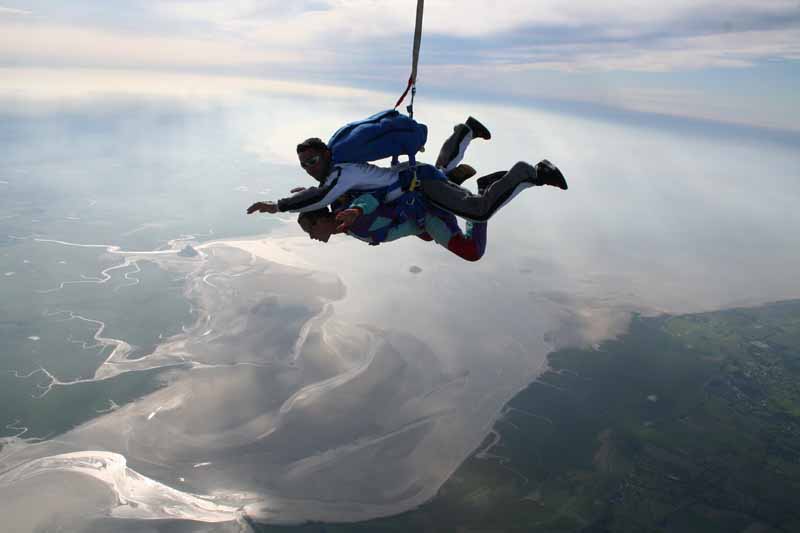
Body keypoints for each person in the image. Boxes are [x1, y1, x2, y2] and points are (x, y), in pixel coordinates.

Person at [246, 117, 567, 222]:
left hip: (417, 182)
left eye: (312, 161)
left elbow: (321, 198)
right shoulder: (338, 172)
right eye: (304, 165)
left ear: (326, 155)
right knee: (443, 169)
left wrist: (276, 206)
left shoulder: (339, 173)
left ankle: (528, 172)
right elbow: (323, 192)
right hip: (415, 177)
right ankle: (464, 131)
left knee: (478, 211)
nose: (309, 168)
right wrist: (307, 191)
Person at [297, 170, 507, 262]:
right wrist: (309, 194)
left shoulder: (347, 214)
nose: (311, 236)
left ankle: (483, 191)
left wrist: (357, 210)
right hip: (418, 221)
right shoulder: (340, 215)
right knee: (427, 236)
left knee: (471, 251)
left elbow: (369, 200)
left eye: (310, 229)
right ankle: (449, 181)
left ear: (322, 220)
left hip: (424, 214)